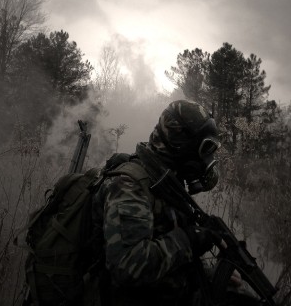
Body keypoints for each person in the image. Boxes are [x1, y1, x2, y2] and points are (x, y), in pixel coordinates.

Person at [92, 100, 223, 306]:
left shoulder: (165, 182)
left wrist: (208, 276)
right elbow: (128, 266)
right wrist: (189, 240)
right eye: (205, 148)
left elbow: (164, 247)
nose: (208, 159)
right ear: (179, 143)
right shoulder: (129, 186)